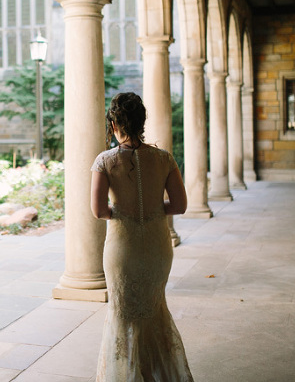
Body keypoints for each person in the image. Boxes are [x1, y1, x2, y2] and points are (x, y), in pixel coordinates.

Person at [90, 92, 193, 382]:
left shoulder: (105, 161)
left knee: (123, 316)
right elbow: (180, 205)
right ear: (142, 122)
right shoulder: (163, 158)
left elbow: (99, 211)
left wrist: (123, 212)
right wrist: (153, 210)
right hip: (158, 247)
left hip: (122, 249)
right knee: (154, 310)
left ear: (113, 125)